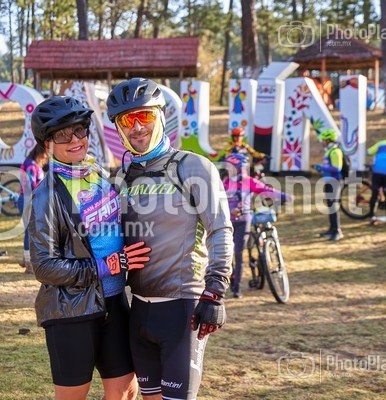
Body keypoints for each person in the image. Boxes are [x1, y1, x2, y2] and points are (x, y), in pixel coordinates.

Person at [106, 77, 233, 399]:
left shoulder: (193, 167)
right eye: (127, 121)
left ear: (161, 116)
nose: (137, 127)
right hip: (138, 309)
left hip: (183, 309)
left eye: (144, 116)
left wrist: (215, 291)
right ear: (118, 128)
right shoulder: (121, 178)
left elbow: (220, 229)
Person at [29, 96, 150, 400]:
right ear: (47, 144)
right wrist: (106, 266)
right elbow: (43, 266)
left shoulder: (101, 177)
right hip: (72, 310)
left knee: (125, 392)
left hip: (115, 303)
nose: (74, 140)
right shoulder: (46, 195)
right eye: (62, 135)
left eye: (79, 131)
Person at [220, 153, 292, 299]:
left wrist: (285, 196)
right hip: (227, 222)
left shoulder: (248, 181)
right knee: (227, 253)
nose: (228, 168)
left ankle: (236, 288)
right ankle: (230, 277)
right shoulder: (224, 182)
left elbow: (267, 190)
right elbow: (217, 201)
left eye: (231, 166)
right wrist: (229, 210)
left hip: (243, 221)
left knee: (238, 253)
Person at [17, 144, 48, 272]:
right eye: (45, 154)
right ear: (40, 152)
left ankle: (25, 258)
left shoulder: (32, 164)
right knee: (30, 231)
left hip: (28, 199)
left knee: (30, 230)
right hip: (28, 200)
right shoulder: (31, 165)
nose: (46, 157)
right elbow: (30, 185)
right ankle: (29, 262)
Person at [312, 129, 344, 241]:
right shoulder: (329, 151)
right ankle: (332, 229)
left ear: (328, 140)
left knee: (333, 206)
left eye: (323, 140)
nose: (321, 142)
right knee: (330, 206)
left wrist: (321, 167)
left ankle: (337, 231)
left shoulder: (335, 151)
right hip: (329, 181)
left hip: (335, 181)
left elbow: (337, 168)